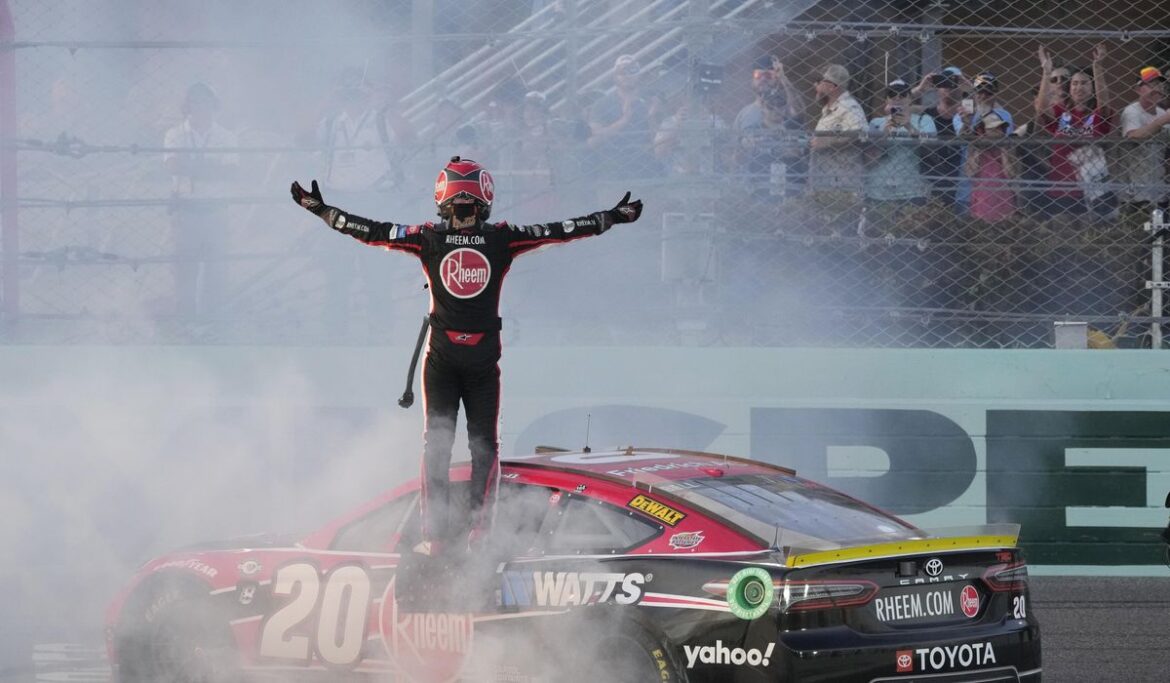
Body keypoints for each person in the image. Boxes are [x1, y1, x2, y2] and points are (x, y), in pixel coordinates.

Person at [289, 157, 643, 555]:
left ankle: (470, 536)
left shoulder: (452, 238)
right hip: (452, 364)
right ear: (450, 207)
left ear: (478, 207)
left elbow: (560, 231)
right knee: (445, 448)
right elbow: (372, 232)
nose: (463, 217)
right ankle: (437, 536)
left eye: (468, 209)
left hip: (468, 365)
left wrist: (611, 217)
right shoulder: (488, 239)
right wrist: (322, 211)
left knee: (478, 448)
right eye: (459, 210)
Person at [162, 82, 239, 320]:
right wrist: (213, 168)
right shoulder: (174, 134)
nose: (201, 107)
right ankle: (185, 320)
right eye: (195, 102)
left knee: (217, 272)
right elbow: (172, 165)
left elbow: (232, 172)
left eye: (206, 102)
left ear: (214, 106)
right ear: (187, 106)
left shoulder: (227, 136)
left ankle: (213, 320)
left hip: (216, 211)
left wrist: (192, 167)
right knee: (185, 271)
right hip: (186, 211)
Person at [1035, 45, 1114, 218]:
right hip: (1061, 190)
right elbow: (1041, 109)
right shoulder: (1061, 113)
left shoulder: (1098, 115)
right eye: (1074, 83)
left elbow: (1104, 102)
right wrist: (1046, 72)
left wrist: (1097, 68)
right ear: (1069, 89)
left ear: (1092, 87)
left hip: (1093, 192)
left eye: (1084, 83)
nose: (1079, 87)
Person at [734, 56, 805, 199]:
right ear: (752, 80)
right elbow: (735, 153)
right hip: (752, 187)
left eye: (769, 75)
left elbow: (799, 110)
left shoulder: (785, 108)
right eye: (758, 75)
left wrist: (783, 77)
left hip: (787, 186)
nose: (763, 79)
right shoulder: (744, 113)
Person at [865, 78, 937, 212]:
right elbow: (868, 160)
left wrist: (910, 128)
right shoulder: (876, 122)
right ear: (886, 100)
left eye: (903, 94)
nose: (897, 98)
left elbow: (932, 149)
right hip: (878, 191)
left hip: (911, 191)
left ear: (910, 98)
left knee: (909, 231)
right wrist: (883, 136)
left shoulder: (923, 120)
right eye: (892, 95)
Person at [1116, 66, 1170, 220]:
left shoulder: (1161, 113)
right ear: (1138, 89)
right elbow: (1134, 136)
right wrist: (1163, 121)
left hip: (1160, 190)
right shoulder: (1132, 111)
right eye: (1151, 85)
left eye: (1160, 85)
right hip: (1137, 193)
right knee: (1141, 234)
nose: (1157, 89)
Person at [809, 63, 867, 197]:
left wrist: (829, 142)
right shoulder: (829, 109)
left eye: (819, 82)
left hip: (843, 184)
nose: (815, 86)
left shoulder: (849, 107)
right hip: (825, 180)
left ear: (832, 86)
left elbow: (860, 133)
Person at [913, 66, 966, 203]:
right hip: (930, 181)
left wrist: (971, 89)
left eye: (954, 82)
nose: (948, 87)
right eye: (944, 82)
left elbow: (992, 111)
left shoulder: (968, 115)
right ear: (937, 87)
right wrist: (920, 89)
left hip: (961, 180)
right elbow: (895, 108)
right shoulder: (926, 114)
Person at [965, 112, 1018, 223]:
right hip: (982, 196)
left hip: (1003, 196)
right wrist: (979, 149)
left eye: (1001, 128)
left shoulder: (1007, 146)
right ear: (983, 131)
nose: (999, 131)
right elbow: (970, 173)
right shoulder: (975, 147)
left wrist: (1004, 151)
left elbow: (1011, 174)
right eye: (994, 129)